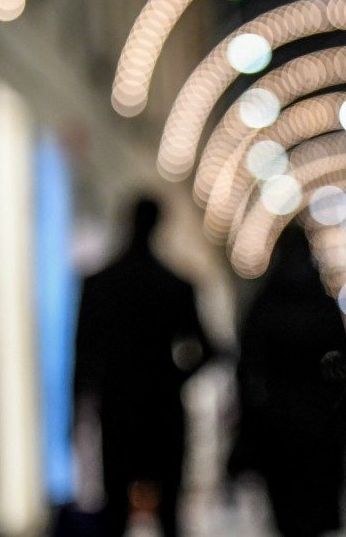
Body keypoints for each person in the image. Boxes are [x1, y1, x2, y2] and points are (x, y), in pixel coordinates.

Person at [74, 196, 214, 537]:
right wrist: (175, 378)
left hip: (118, 409)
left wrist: (79, 408)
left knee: (114, 513)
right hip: (162, 411)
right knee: (170, 514)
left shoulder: (100, 286)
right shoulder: (175, 286)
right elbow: (209, 349)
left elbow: (84, 356)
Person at [226, 225, 346, 537]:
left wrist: (249, 422)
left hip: (276, 429)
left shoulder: (263, 304)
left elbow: (247, 369)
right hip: (322, 428)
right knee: (317, 513)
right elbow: (344, 368)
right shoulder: (324, 306)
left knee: (286, 515)